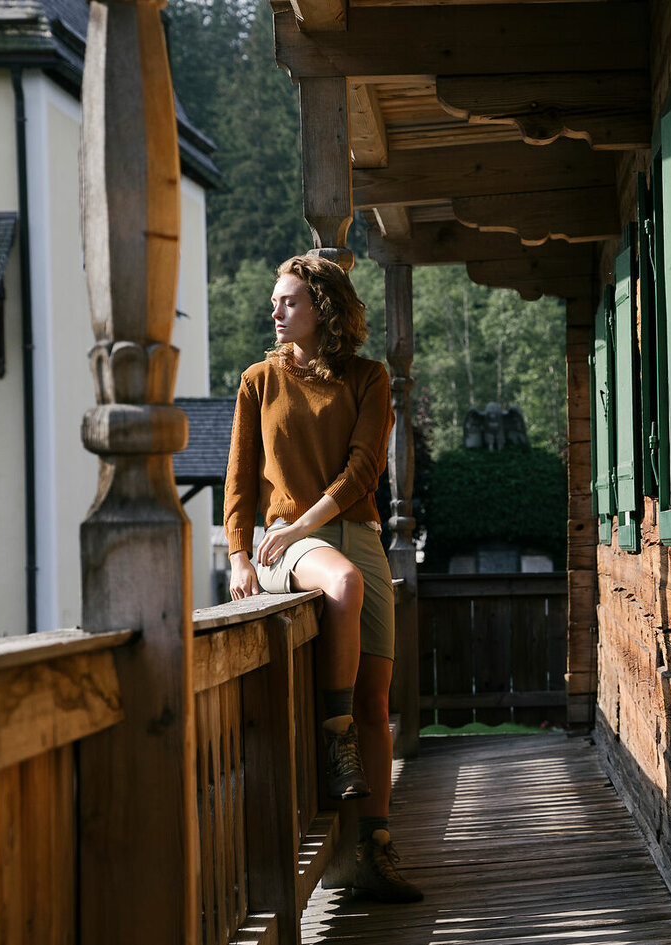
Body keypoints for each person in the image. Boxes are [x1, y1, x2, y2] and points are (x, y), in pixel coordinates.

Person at [224, 254, 422, 903]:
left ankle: (375, 849)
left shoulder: (369, 378)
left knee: (376, 701)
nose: (274, 311)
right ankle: (334, 741)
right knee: (338, 586)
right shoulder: (257, 381)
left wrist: (310, 519)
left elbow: (366, 469)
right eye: (275, 301)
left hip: (358, 536)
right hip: (291, 545)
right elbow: (240, 482)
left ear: (322, 308)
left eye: (287, 301)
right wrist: (240, 556)